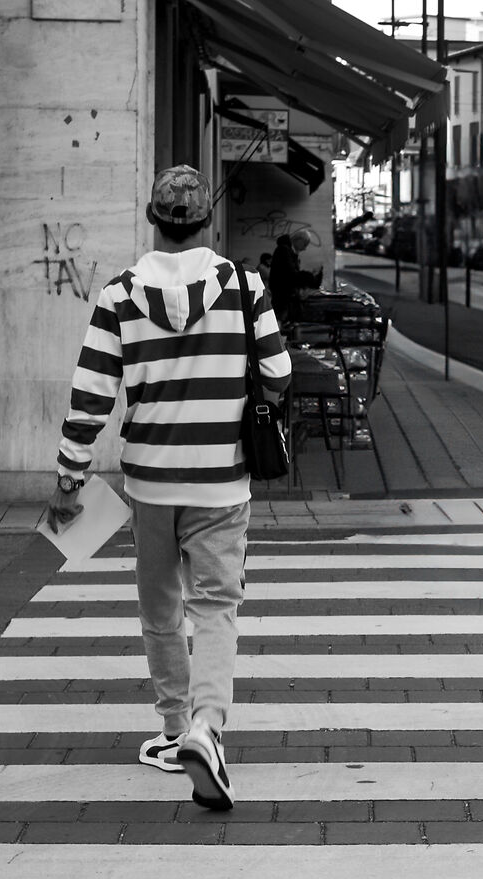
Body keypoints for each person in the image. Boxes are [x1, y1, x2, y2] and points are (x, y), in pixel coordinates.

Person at [46, 165, 292, 810]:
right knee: (216, 608)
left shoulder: (118, 294)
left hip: (150, 480)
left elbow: (91, 393)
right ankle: (207, 728)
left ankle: (174, 728)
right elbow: (277, 373)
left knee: (160, 608)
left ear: (153, 219)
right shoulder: (245, 286)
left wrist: (71, 475)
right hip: (222, 481)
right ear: (208, 220)